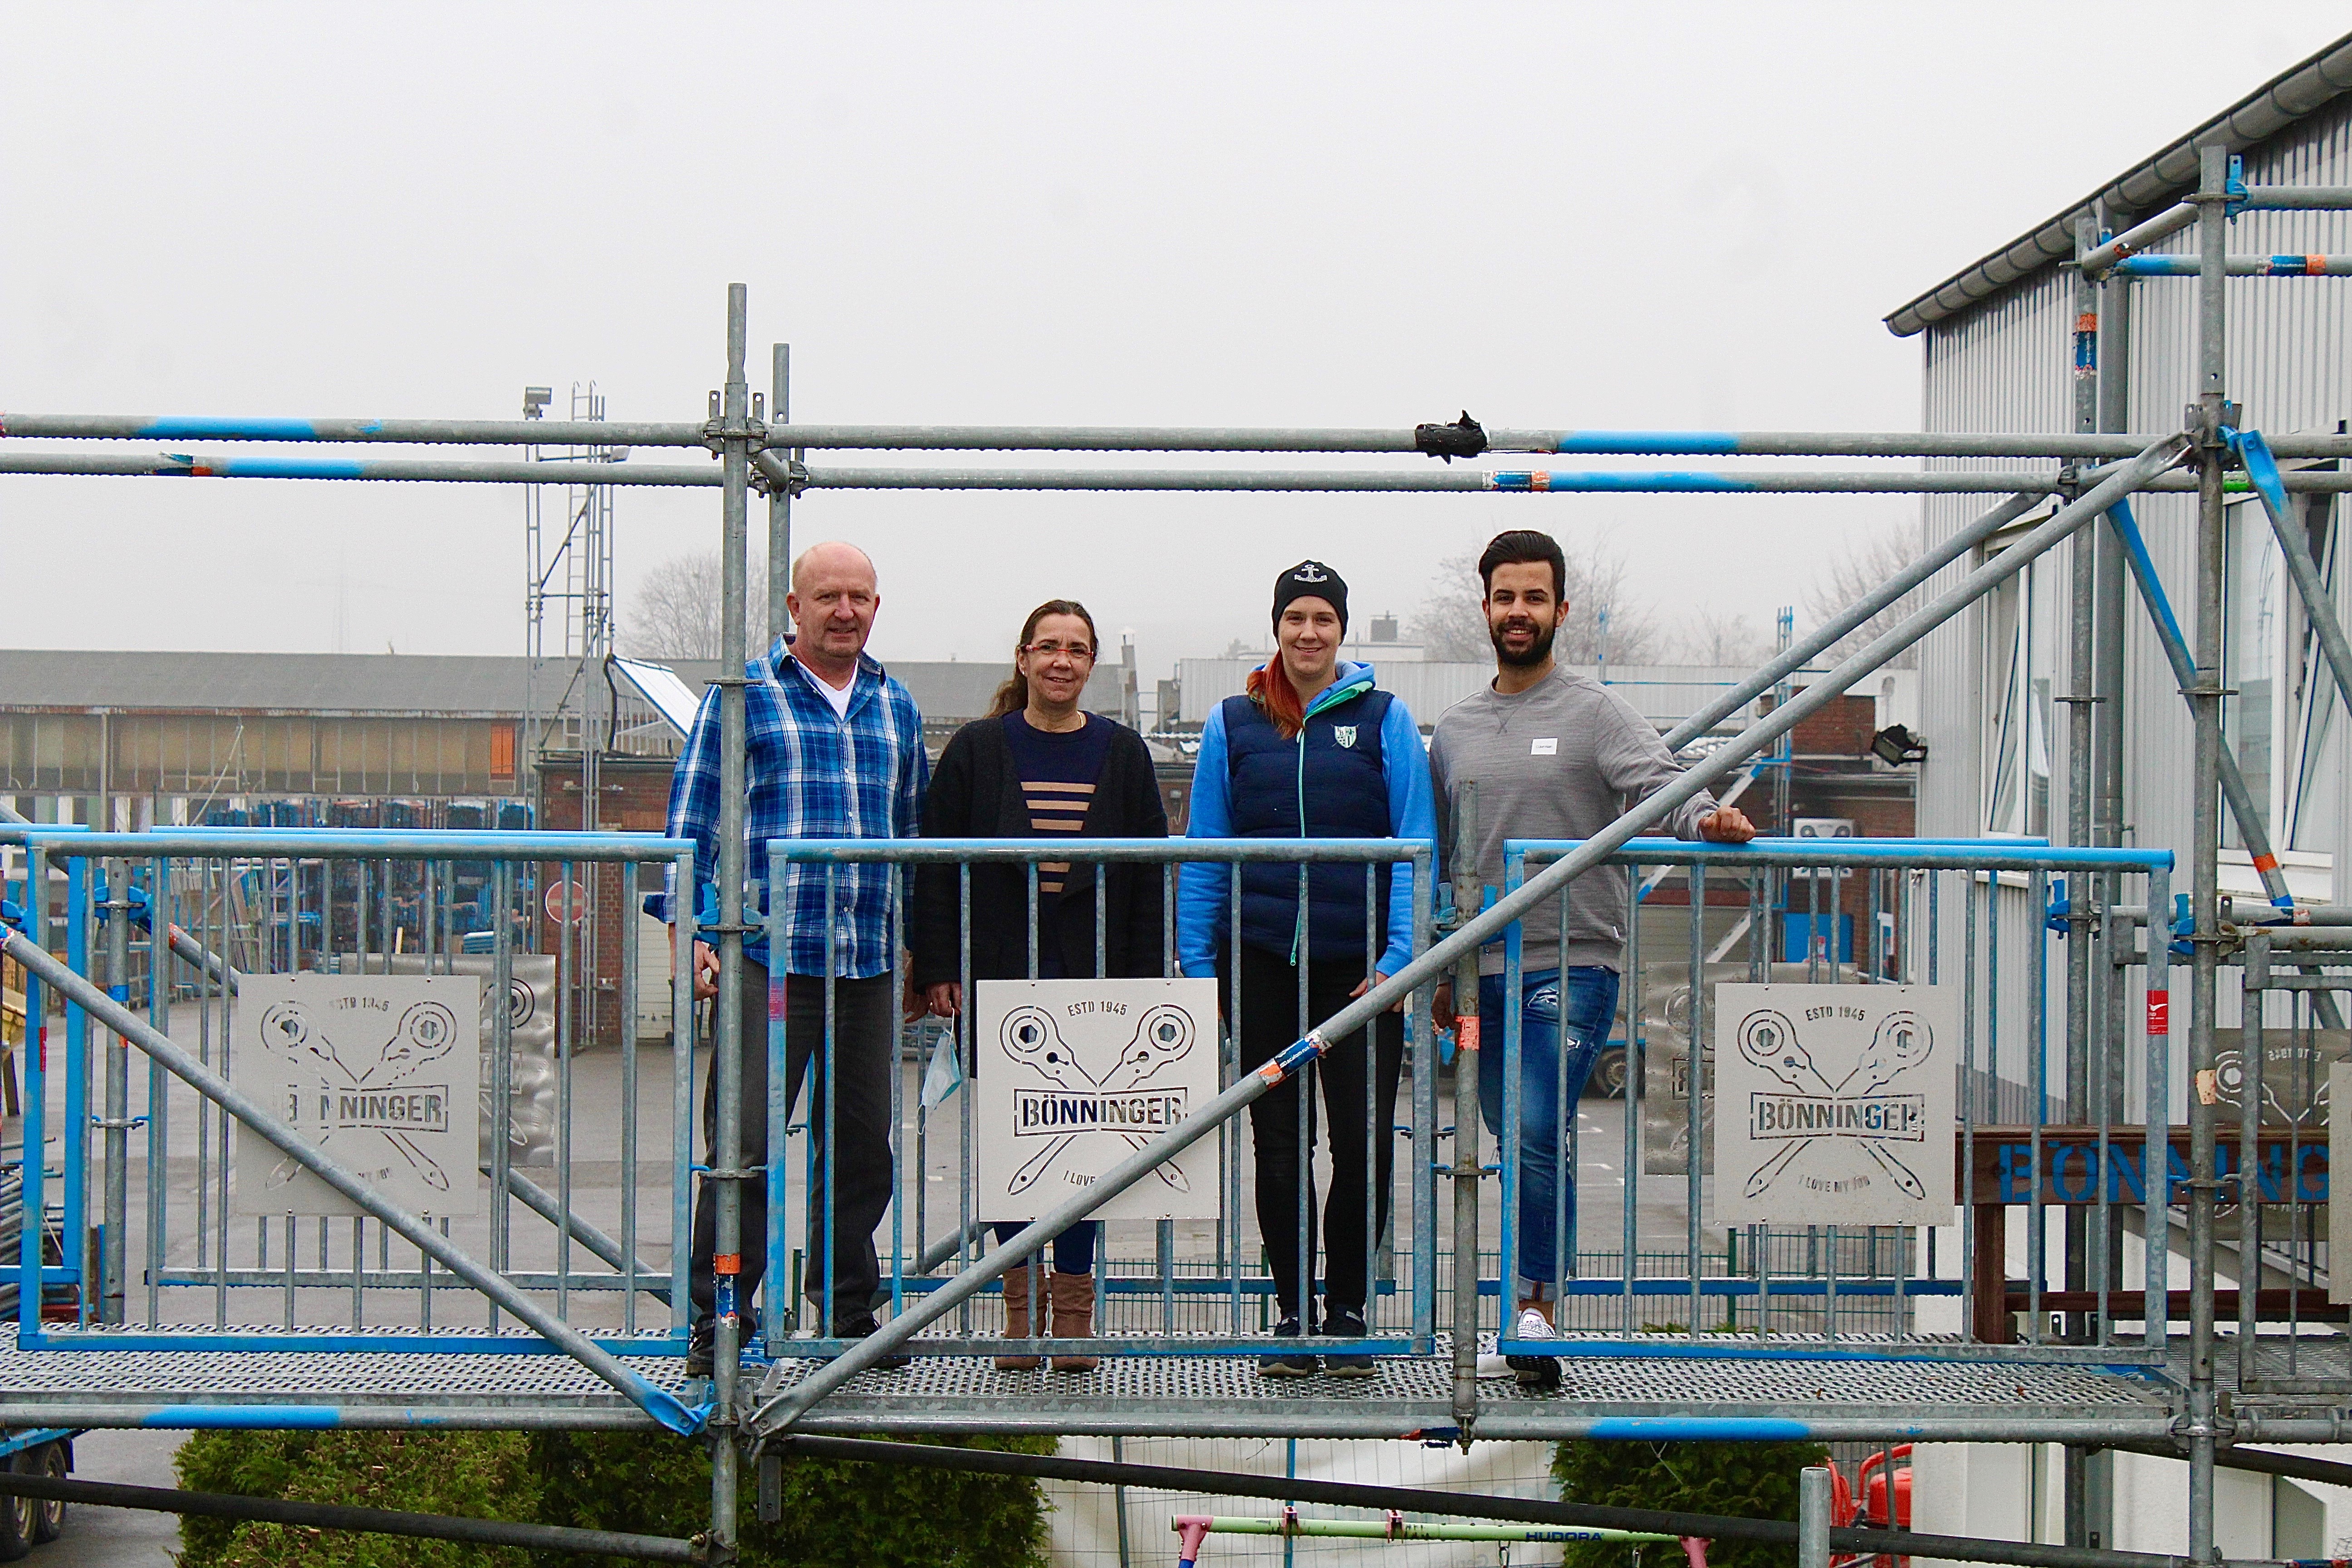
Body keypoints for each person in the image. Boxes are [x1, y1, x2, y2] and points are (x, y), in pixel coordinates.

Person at [1428, 529, 1755, 1389]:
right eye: (1505, 597)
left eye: (1535, 598)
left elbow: (1662, 787)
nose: (1519, 612)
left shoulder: (1595, 711)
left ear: (1560, 609)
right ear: (1486, 607)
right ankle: (1537, 1305)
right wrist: (1433, 960)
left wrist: (1710, 820)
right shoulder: (1455, 730)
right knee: (1514, 1135)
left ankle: (1535, 1310)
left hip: (1573, 959)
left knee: (1539, 1128)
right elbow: (1439, 849)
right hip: (1481, 965)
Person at [656, 540, 929, 1376]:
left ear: (876, 607)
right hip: (767, 963)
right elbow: (690, 824)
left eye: (860, 597)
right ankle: (723, 1316)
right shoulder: (743, 697)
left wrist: (919, 944)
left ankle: (848, 1313)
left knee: (861, 1148)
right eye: (828, 597)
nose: (845, 611)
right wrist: (691, 936)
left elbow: (912, 831)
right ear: (794, 608)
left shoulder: (896, 705)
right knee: (742, 1145)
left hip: (867, 961)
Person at [1178, 560, 1437, 1378]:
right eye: (1296, 618)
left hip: (1358, 976)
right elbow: (1206, 851)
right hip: (1262, 968)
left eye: (1324, 619)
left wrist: (1399, 959)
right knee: (1279, 1148)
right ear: (1277, 626)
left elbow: (1414, 846)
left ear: (1341, 631)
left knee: (1361, 1146)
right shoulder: (1233, 722)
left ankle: (1349, 1309)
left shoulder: (1386, 719)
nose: (1309, 633)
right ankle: (1292, 1311)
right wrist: (1196, 963)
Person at [911, 599, 1170, 1373]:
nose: (1063, 661)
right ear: (1022, 659)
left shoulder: (1124, 754)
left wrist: (1148, 984)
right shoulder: (978, 751)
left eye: (1077, 649)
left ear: (1093, 666)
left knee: (1084, 1152)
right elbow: (934, 868)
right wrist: (936, 968)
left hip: (1098, 983)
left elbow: (1148, 877)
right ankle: (1020, 1315)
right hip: (1000, 976)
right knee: (1014, 1147)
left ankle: (1076, 1316)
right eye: (1048, 647)